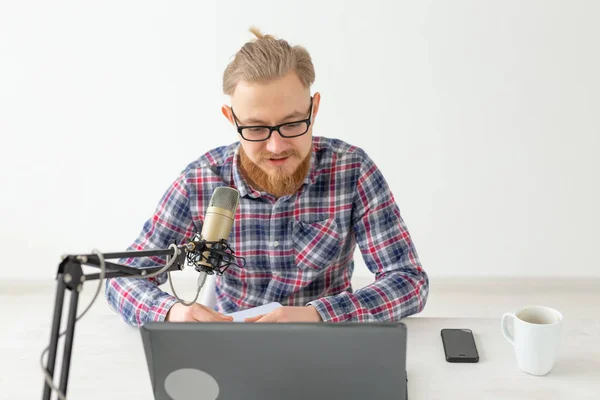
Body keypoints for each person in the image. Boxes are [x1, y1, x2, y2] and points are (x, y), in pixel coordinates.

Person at [105, 27, 429, 326]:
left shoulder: (352, 170)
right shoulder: (200, 180)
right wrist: (173, 312)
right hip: (232, 344)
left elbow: (408, 280)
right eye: (257, 128)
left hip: (326, 342)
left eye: (291, 124)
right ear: (231, 119)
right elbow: (123, 278)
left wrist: (318, 314)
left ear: (313, 110)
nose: (276, 147)